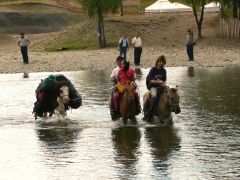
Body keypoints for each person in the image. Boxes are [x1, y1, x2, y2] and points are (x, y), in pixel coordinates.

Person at [145, 55, 167, 122]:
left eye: (162, 62)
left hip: (161, 86)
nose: (161, 63)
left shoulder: (164, 71)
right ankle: (150, 110)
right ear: (157, 62)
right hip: (153, 86)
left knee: (169, 94)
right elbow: (150, 81)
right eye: (160, 61)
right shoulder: (153, 70)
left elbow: (165, 80)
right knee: (154, 96)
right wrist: (158, 81)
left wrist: (164, 83)